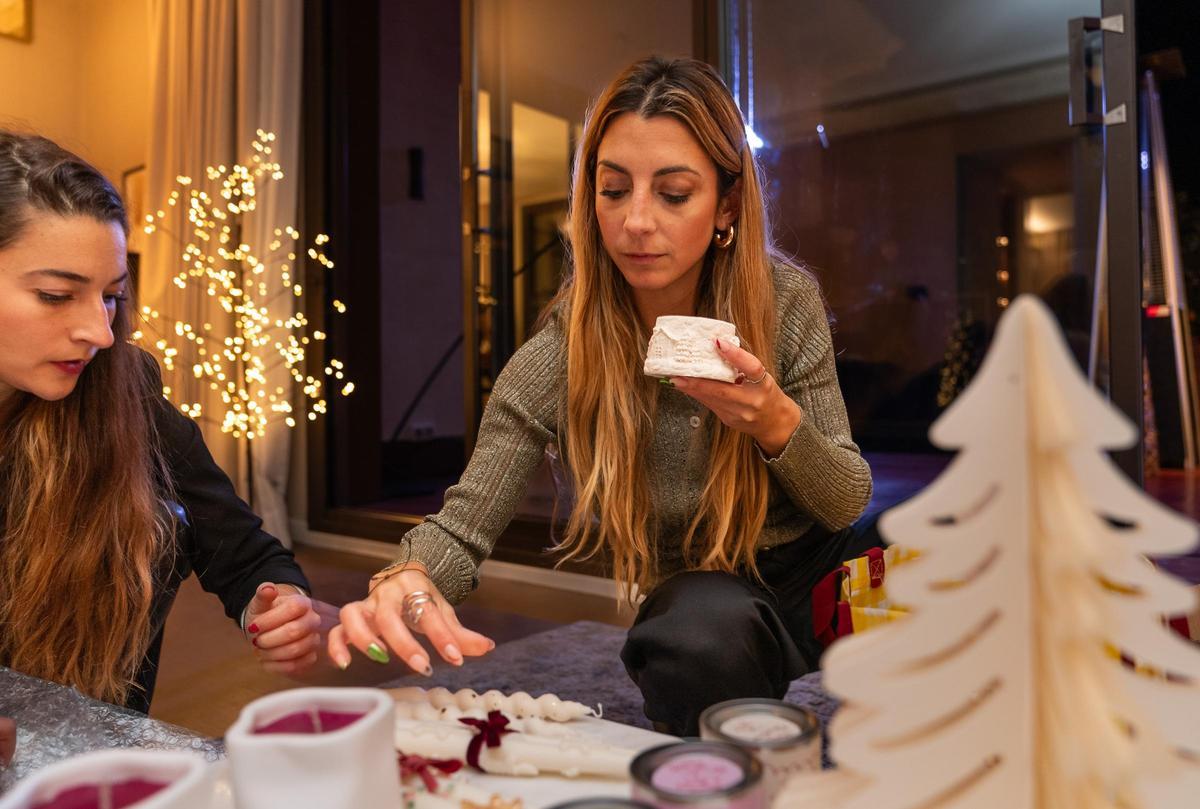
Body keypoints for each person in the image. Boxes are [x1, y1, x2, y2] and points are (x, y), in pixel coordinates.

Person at [329, 56, 877, 735]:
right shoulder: (569, 348)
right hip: (710, 597)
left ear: (727, 205)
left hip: (822, 572)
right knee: (695, 638)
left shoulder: (785, 302)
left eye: (673, 193)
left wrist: (775, 421)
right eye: (613, 189)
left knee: (962, 554)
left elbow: (845, 501)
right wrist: (407, 578)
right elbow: (466, 519)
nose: (636, 221)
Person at [0, 132, 325, 729]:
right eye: (56, 295)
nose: (100, 333)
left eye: (111, 296)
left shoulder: (126, 393)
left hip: (93, 752)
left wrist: (280, 604)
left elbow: (244, 555)